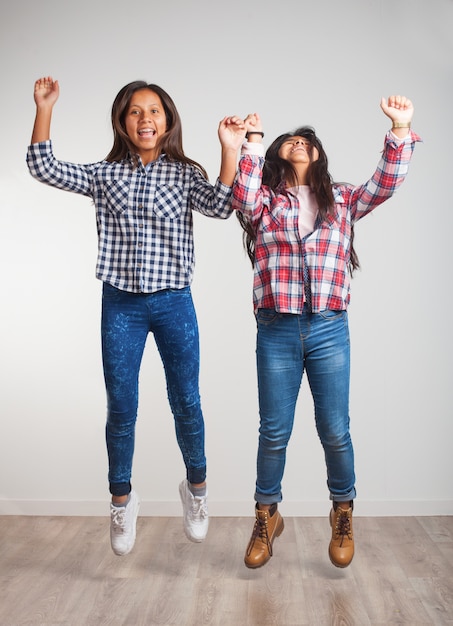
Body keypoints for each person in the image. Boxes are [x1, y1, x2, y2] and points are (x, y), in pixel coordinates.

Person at [27, 76, 246, 556]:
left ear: (168, 121)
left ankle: (198, 490)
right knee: (122, 407)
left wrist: (229, 150)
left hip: (173, 302)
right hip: (121, 304)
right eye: (135, 111)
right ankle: (122, 501)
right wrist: (45, 107)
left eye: (154, 111)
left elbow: (221, 206)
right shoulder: (106, 175)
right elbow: (42, 166)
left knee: (186, 400)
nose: (145, 118)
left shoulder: (185, 173)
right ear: (122, 123)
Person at [231, 96, 421, 569]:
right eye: (290, 140)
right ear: (277, 155)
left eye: (307, 140)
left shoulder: (343, 198)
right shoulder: (264, 202)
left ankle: (342, 510)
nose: (300, 142)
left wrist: (400, 129)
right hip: (276, 329)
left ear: (318, 154)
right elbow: (241, 198)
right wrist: (252, 142)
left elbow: (386, 184)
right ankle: (265, 515)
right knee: (274, 432)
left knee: (334, 430)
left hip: (329, 330)